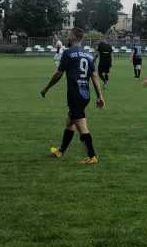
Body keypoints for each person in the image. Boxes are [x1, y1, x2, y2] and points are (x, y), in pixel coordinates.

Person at [41, 27, 105, 164]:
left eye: (69, 35)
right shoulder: (88, 55)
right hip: (85, 94)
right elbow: (94, 76)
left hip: (75, 94)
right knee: (70, 122)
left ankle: (92, 156)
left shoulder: (68, 53)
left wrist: (46, 88)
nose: (67, 37)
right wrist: (100, 96)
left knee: (81, 126)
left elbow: (58, 74)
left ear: (73, 37)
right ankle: (61, 151)